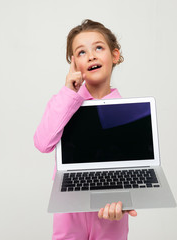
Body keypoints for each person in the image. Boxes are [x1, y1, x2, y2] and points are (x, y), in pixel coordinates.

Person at [34, 19, 137, 240]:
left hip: (110, 208)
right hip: (70, 206)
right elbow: (43, 144)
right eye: (81, 52)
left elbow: (132, 166)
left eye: (98, 47)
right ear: (74, 65)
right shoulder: (63, 103)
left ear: (115, 56)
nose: (90, 56)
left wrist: (127, 199)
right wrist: (69, 93)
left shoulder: (126, 113)